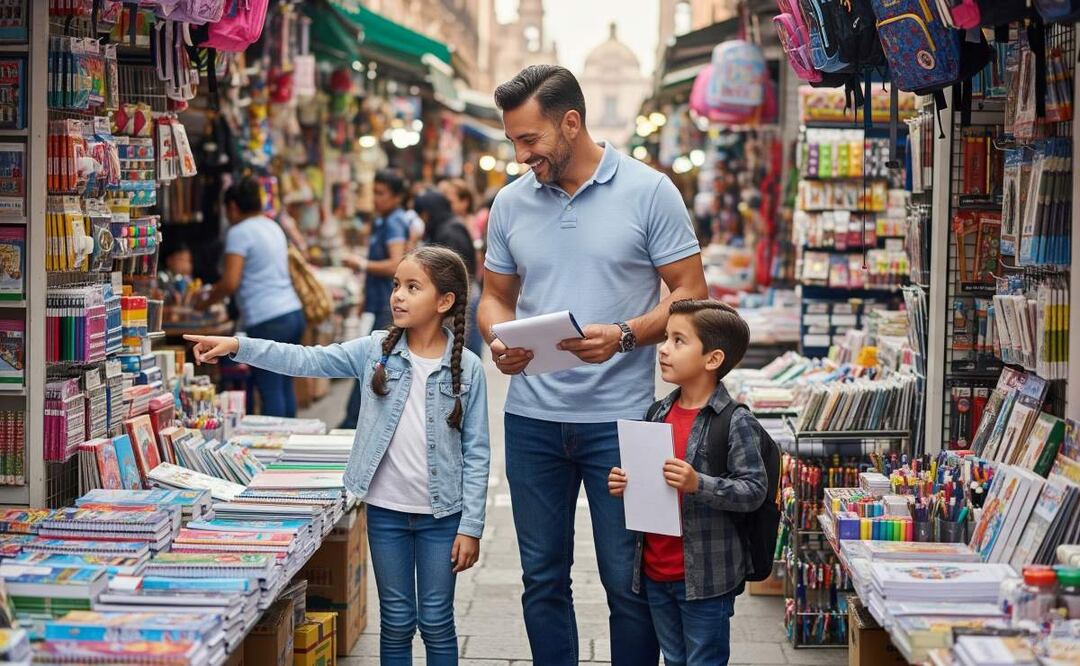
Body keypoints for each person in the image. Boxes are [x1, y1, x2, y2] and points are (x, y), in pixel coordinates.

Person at [477, 64, 708, 665]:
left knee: (632, 582)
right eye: (513, 141)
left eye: (530, 140)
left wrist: (627, 335)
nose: (521, 154)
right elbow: (495, 296)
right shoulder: (509, 203)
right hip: (531, 422)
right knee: (542, 580)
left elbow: (689, 293)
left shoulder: (650, 191)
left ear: (571, 122)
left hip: (631, 422)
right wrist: (497, 341)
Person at [185, 247, 490, 666]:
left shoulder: (468, 368)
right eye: (397, 285)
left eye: (412, 287)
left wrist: (471, 526)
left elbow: (477, 452)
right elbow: (307, 358)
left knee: (437, 621)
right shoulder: (374, 351)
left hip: (444, 517)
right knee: (397, 621)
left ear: (444, 302)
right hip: (386, 512)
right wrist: (238, 344)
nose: (397, 295)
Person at [608, 300, 767, 666]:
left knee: (703, 660)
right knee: (675, 659)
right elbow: (651, 482)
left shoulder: (734, 421)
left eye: (679, 341)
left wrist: (700, 484)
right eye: (666, 338)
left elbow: (754, 490)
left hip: (706, 579)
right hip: (655, 570)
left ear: (712, 359)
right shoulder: (657, 412)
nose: (663, 348)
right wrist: (624, 482)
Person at [198, 177, 305, 417]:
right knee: (284, 383)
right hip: (292, 312)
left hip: (267, 318)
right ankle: (290, 439)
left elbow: (230, 282)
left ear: (233, 207)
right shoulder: (273, 226)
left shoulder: (239, 232)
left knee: (269, 387)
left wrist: (202, 303)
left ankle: (276, 446)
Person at [341, 169, 411, 429]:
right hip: (380, 301)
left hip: (388, 305)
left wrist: (362, 263)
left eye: (381, 194)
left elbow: (396, 264)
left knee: (373, 363)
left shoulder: (393, 221)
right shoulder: (383, 220)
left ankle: (352, 424)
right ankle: (353, 422)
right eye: (375, 192)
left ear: (396, 197)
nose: (376, 199)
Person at [413, 189, 482, 357]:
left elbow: (451, 273)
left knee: (463, 352)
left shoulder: (449, 231)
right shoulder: (450, 227)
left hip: (459, 297)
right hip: (458, 296)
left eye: (421, 214)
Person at [439, 179, 486, 356]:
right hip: (467, 284)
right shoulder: (453, 223)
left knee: (470, 335)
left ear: (464, 201)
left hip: (470, 283)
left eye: (450, 200)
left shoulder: (467, 224)